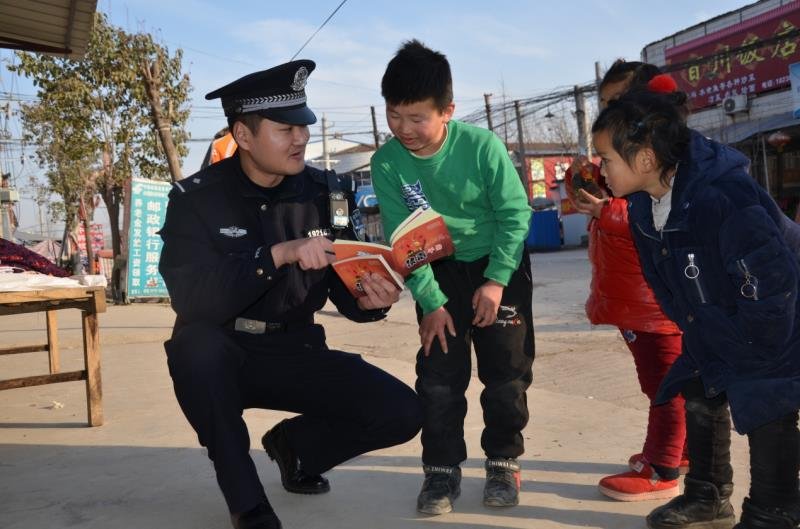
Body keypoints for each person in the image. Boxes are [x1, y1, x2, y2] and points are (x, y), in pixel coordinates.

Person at [158, 60, 422, 529]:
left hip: (295, 347)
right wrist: (275, 254)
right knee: (196, 349)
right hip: (224, 350)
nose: (300, 137)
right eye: (285, 128)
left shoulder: (329, 194)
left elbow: (346, 293)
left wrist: (370, 301)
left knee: (401, 411)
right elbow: (192, 298)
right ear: (242, 134)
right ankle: (248, 504)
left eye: (302, 125)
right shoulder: (195, 200)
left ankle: (296, 448)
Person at [591, 87, 800, 529]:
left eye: (606, 159)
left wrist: (755, 345)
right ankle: (706, 496)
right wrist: (702, 329)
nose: (600, 169)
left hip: (778, 314)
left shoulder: (724, 196)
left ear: (645, 159)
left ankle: (773, 513)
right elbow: (667, 282)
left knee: (768, 400)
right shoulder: (644, 209)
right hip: (716, 316)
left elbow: (772, 279)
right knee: (699, 388)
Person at [371, 40, 534, 515]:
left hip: (496, 266)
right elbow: (405, 240)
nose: (404, 130)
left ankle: (504, 461)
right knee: (439, 378)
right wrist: (430, 300)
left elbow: (514, 213)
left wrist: (497, 278)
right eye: (394, 116)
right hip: (435, 271)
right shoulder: (387, 163)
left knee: (506, 373)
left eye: (416, 118)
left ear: (448, 111)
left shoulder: (481, 147)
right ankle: (440, 471)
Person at [566, 61, 688, 502]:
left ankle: (663, 467)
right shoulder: (624, 160)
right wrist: (583, 185)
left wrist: (606, 211)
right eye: (604, 105)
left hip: (655, 300)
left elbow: (655, 217)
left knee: (665, 384)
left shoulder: (658, 158)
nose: (607, 112)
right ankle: (682, 450)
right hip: (632, 295)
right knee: (658, 380)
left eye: (615, 103)